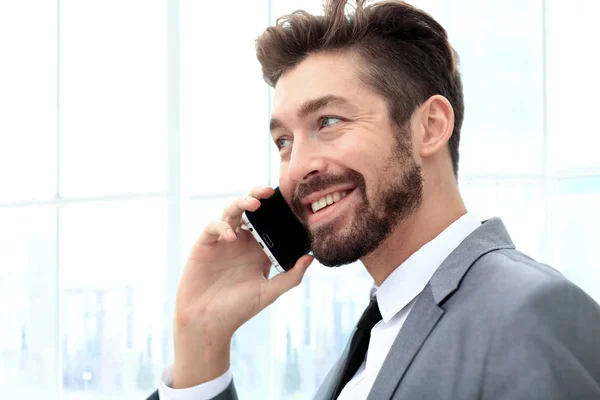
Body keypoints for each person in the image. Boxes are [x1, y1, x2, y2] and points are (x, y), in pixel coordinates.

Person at [147, 0, 600, 399]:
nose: (297, 166)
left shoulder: (530, 316)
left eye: (327, 122)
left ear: (430, 126)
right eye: (283, 141)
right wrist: (201, 343)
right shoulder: (374, 337)